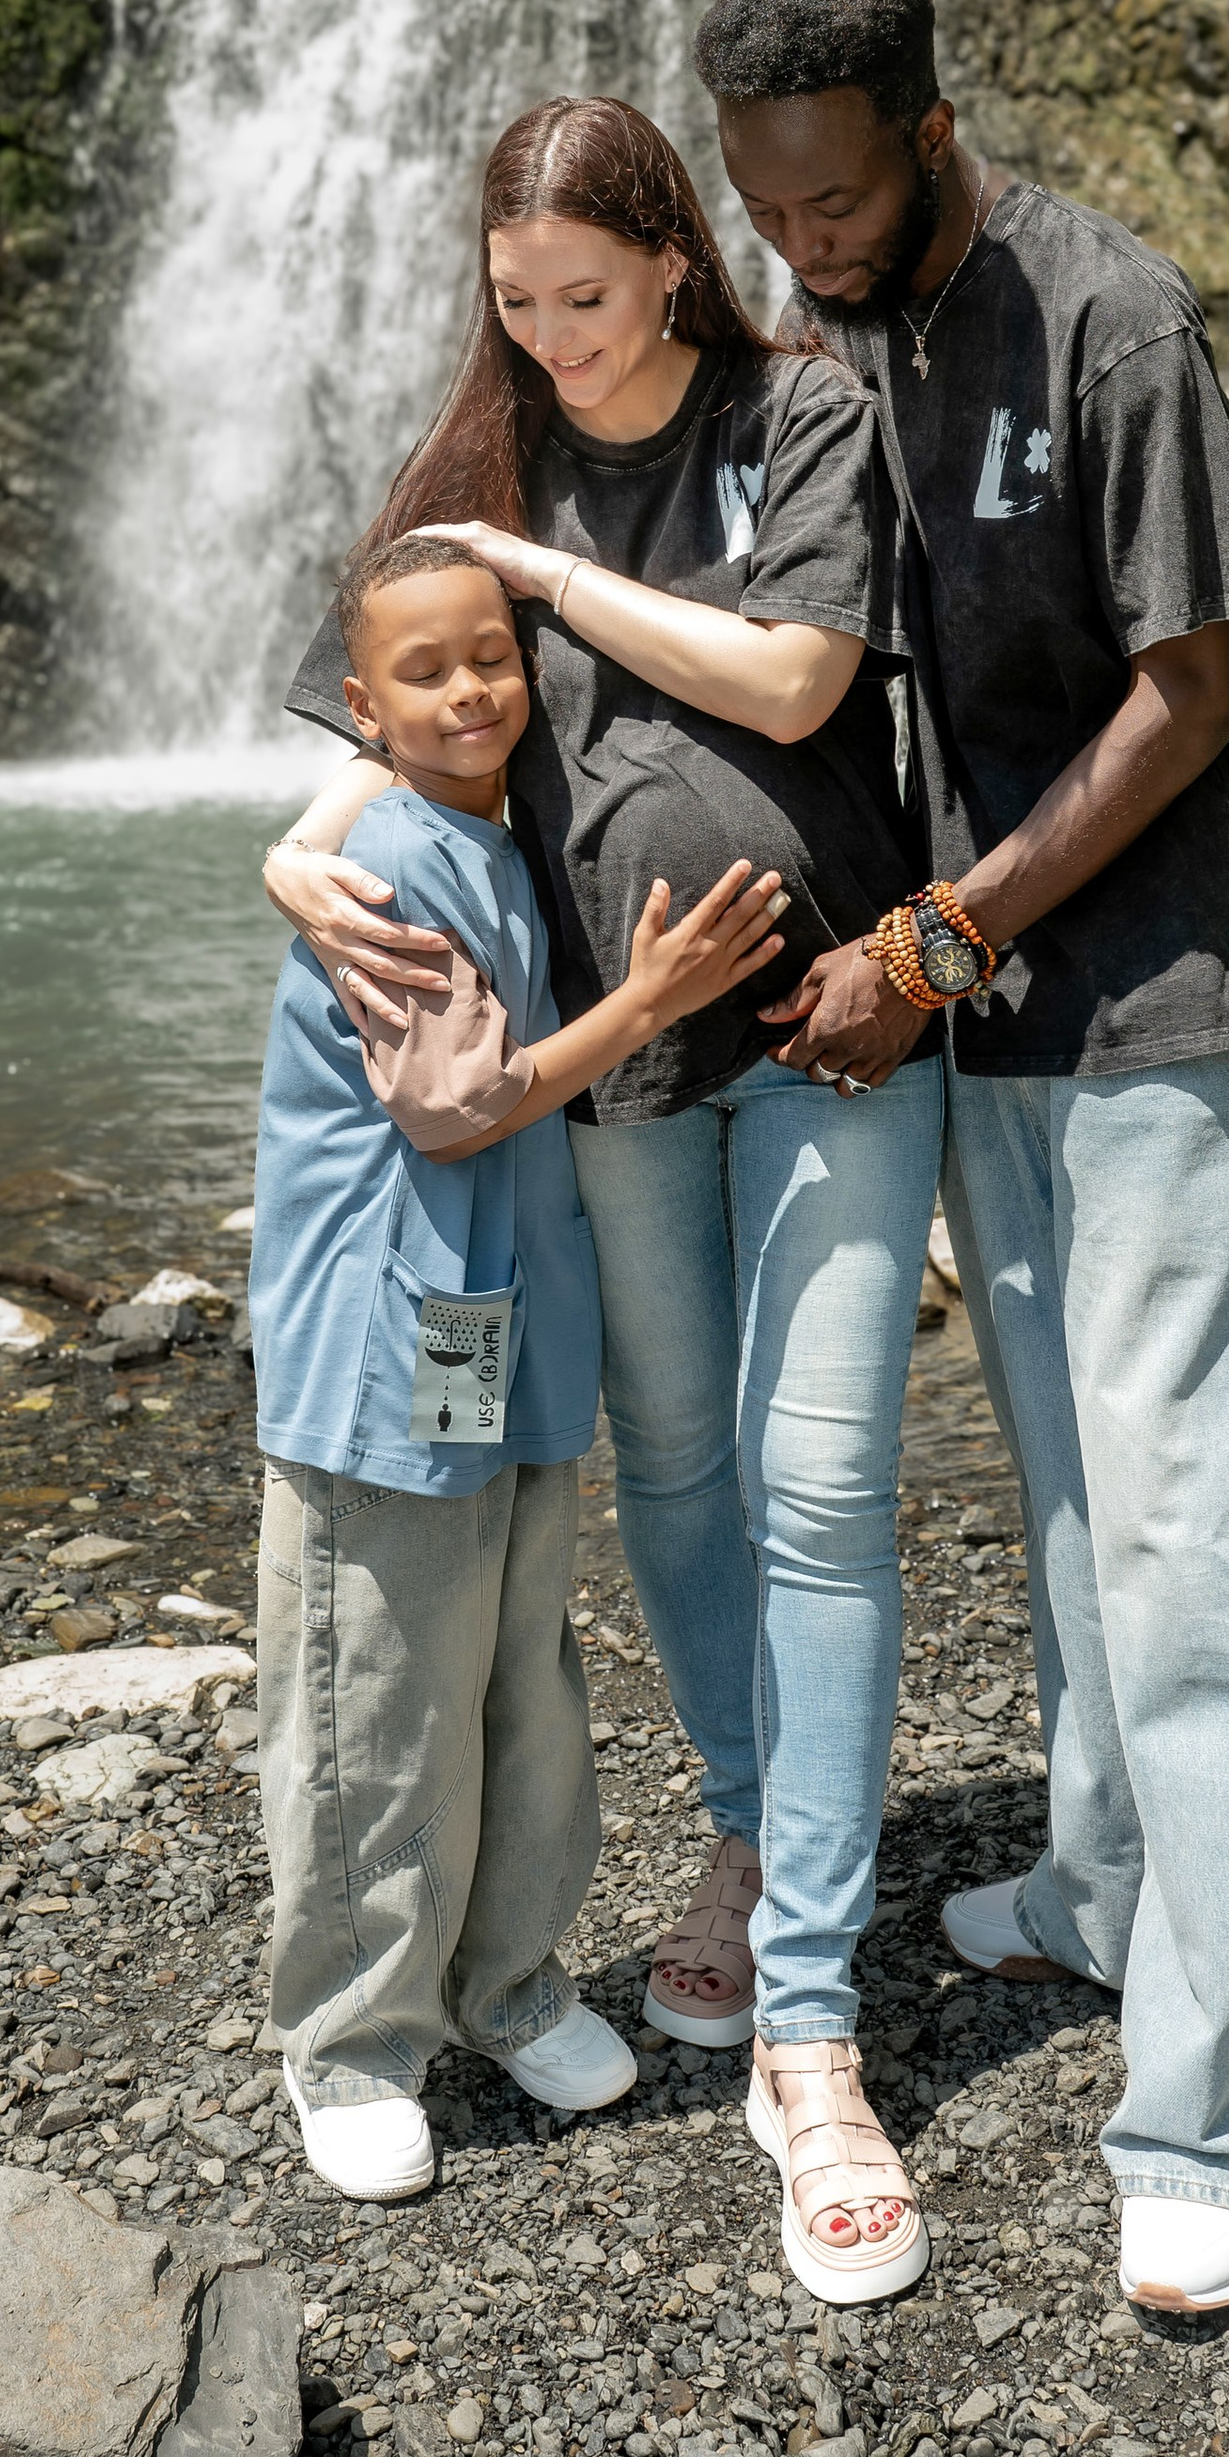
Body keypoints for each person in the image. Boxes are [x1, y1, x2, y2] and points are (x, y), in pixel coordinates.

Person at [690, 0, 1229, 2322]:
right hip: (980, 1020)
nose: (803, 242)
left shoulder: (1110, 321)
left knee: (1210, 1554)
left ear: (926, 124)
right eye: (765, 208)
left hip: (1157, 1003)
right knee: (1085, 1521)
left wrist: (937, 942)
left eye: (837, 197)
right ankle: (1106, 1891)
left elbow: (1188, 695)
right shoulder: (847, 332)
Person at [263, 95, 943, 2302]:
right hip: (620, 1066)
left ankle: (811, 2002)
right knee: (667, 1467)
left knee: (823, 1485)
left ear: (673, 254)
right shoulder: (477, 451)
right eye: (512, 300)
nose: (546, 336)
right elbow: (377, 714)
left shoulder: (798, 413)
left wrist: (552, 573)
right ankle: (748, 1839)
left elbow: (799, 678)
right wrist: (293, 839)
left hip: (825, 1032)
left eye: (584, 290)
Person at [250, 528, 787, 2204]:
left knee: (514, 1669)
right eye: (425, 671)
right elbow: (454, 1102)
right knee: (377, 1685)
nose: (471, 688)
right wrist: (652, 1001)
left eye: (492, 656)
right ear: (363, 704)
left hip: (484, 1324)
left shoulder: (489, 827)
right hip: (387, 1327)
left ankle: (503, 1983)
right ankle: (350, 2040)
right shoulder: (393, 867)